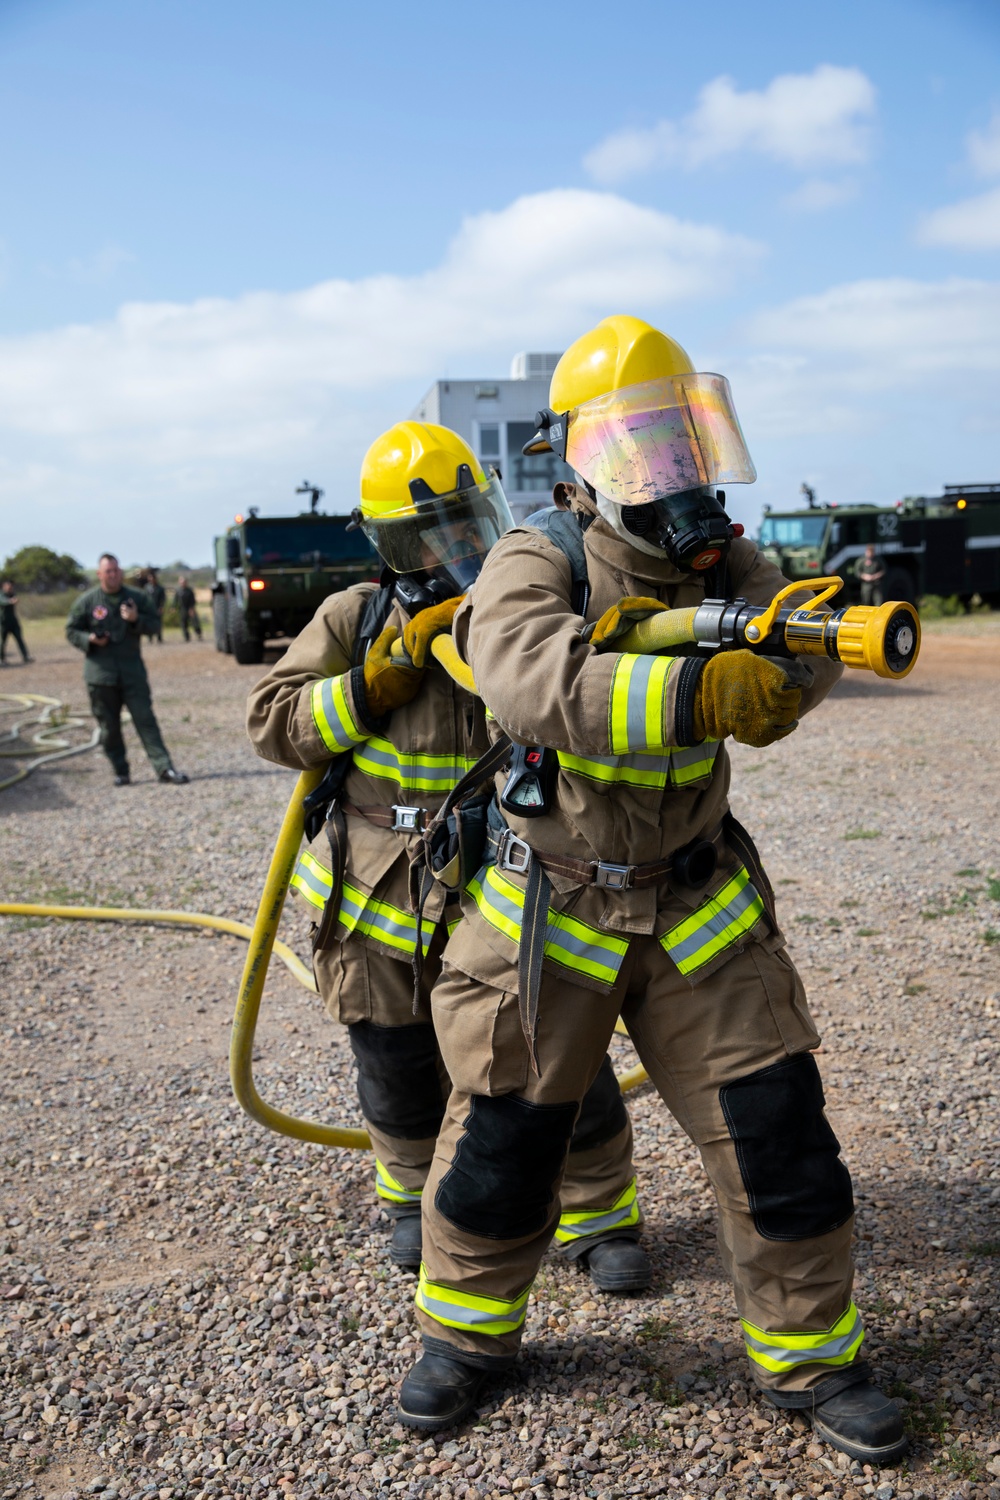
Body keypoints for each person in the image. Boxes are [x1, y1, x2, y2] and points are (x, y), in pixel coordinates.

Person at [398, 317, 907, 1466]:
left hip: (694, 906)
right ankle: (468, 1337)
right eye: (641, 445)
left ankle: (812, 1357)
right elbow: (531, 680)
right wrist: (692, 690)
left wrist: (785, 664)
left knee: (777, 1136)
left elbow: (800, 643)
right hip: (551, 912)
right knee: (506, 1143)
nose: (669, 472)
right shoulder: (540, 559)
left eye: (680, 441)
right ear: (581, 463)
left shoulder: (727, 563)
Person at [246, 422, 651, 1299]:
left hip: (507, 887)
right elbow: (271, 721)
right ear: (390, 545)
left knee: (553, 1051)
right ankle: (409, 1201)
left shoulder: (529, 609)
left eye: (467, 524)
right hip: (374, 897)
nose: (454, 550)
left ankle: (599, 1216)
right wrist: (366, 687)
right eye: (426, 536)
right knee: (393, 1061)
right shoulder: (354, 619)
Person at [66, 553, 189, 786]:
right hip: (100, 675)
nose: (113, 575)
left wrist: (135, 620)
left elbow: (154, 625)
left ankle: (164, 768)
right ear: (99, 574)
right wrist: (90, 638)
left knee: (146, 720)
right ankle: (120, 771)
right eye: (108, 571)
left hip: (132, 673)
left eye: (116, 570)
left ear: (120, 572)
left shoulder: (137, 598)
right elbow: (71, 630)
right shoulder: (87, 601)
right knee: (108, 728)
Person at [0, 581, 33, 665]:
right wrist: (10, 601)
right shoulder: (1, 595)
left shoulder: (12, 594)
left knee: (20, 639)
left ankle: (26, 656)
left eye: (11, 587)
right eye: (8, 587)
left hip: (13, 622)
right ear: (4, 587)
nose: (10, 589)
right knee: (2, 642)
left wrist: (13, 599)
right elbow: (3, 602)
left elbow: (15, 599)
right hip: (4, 623)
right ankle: (1, 659)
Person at [174, 575, 202, 641]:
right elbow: (175, 600)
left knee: (195, 623)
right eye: (181, 582)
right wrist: (174, 607)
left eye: (184, 582)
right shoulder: (178, 591)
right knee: (184, 624)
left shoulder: (189, 591)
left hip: (190, 608)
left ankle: (199, 634)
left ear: (186, 582)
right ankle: (186, 637)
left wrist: (191, 608)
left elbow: (193, 600)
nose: (182, 583)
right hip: (182, 609)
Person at [144, 567, 166, 643]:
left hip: (157, 608)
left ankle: (159, 638)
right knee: (149, 623)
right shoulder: (147, 587)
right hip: (149, 608)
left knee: (158, 623)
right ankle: (150, 638)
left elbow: (163, 599)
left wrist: (161, 607)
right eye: (149, 578)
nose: (151, 579)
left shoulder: (160, 588)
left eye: (152, 578)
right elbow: (145, 597)